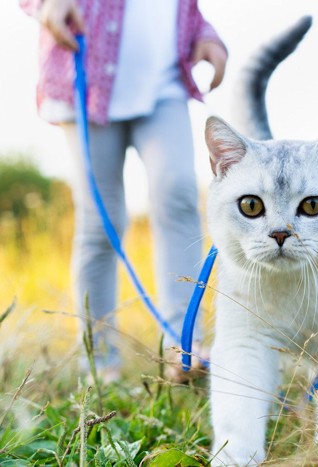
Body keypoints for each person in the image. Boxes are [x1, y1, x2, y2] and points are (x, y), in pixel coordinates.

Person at [20, 0, 227, 382]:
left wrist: (205, 34)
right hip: (87, 80)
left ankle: (183, 346)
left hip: (164, 82)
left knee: (178, 194)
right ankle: (99, 361)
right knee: (100, 223)